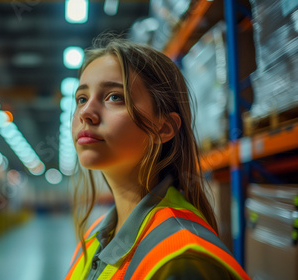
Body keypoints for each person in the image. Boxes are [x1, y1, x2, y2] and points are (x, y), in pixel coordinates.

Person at [64, 35, 250, 280]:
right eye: (82, 99)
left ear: (164, 128)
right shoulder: (93, 239)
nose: (86, 112)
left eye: (114, 97)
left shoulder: (182, 261)